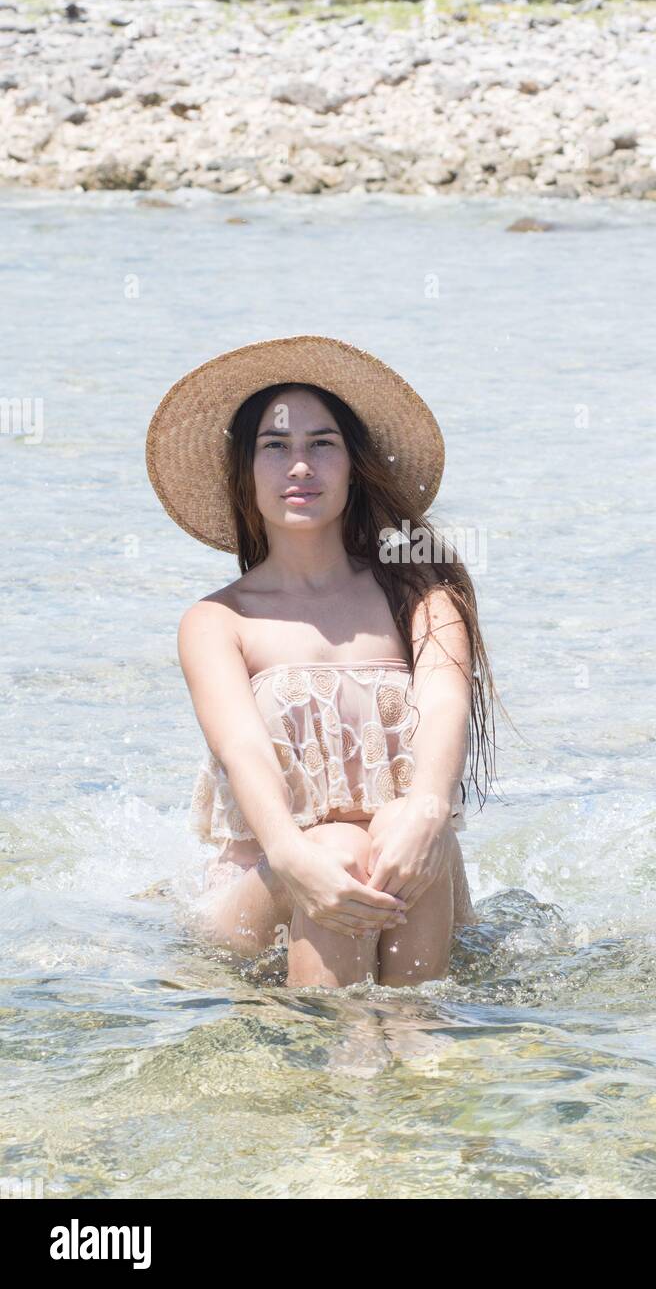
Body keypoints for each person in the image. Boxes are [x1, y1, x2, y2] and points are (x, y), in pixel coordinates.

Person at [146, 334, 509, 990]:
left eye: (322, 444)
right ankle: (344, 1060)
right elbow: (241, 749)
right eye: (275, 446)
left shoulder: (422, 598)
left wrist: (428, 806)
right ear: (245, 472)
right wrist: (291, 853)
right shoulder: (218, 621)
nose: (300, 466)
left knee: (402, 822)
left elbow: (447, 705)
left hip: (412, 873)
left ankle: (414, 1038)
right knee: (336, 848)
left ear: (353, 466)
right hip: (270, 883)